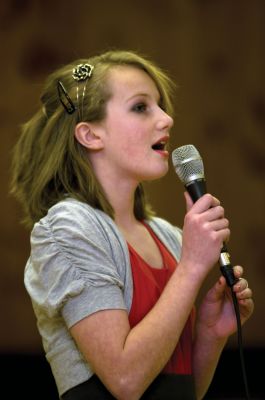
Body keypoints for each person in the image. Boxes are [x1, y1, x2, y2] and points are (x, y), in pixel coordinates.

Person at [10, 49, 254, 400]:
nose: (166, 119)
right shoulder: (68, 227)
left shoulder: (168, 236)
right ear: (90, 135)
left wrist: (211, 335)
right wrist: (191, 267)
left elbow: (184, 391)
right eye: (141, 107)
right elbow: (125, 381)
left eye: (160, 105)